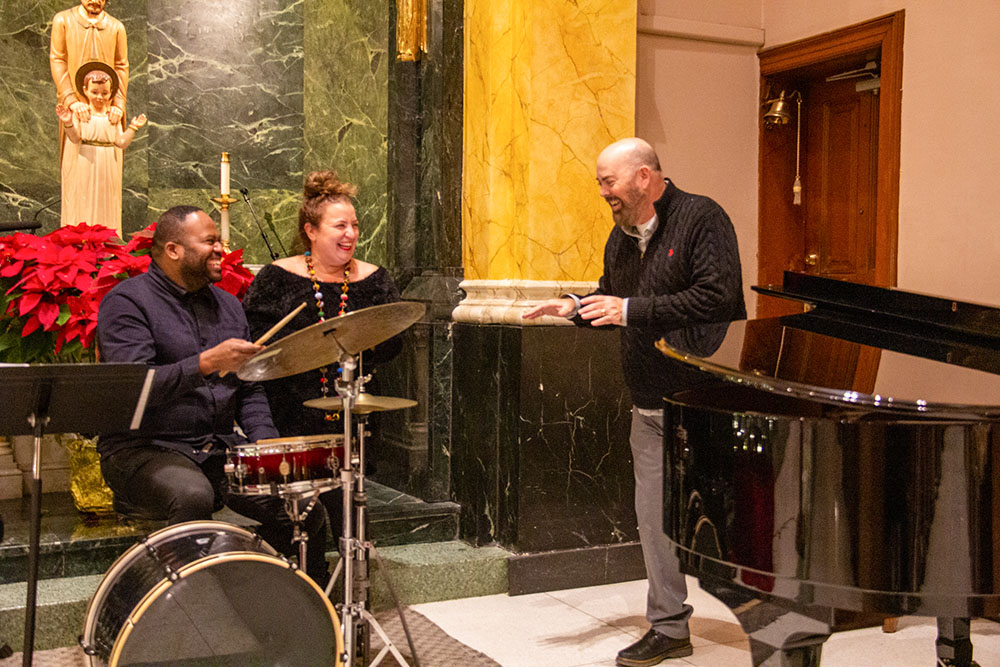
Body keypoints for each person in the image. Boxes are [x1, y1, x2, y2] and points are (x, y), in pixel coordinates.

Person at [523, 137, 746, 666]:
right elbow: (612, 296)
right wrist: (575, 307)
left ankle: (777, 616)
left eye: (609, 181)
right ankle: (669, 627)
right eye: (601, 182)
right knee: (653, 520)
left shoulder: (702, 218)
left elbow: (719, 297)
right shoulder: (619, 237)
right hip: (648, 404)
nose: (604, 192)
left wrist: (630, 309)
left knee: (733, 520)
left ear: (644, 177)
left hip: (704, 402)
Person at [96, 205, 330, 585]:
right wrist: (203, 364)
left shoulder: (228, 304)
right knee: (192, 496)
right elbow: (135, 388)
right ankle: (183, 610)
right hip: (143, 448)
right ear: (173, 250)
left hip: (216, 447)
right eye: (209, 241)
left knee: (302, 505)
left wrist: (266, 452)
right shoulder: (127, 302)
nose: (221, 247)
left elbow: (249, 387)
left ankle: (298, 607)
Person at [242, 170, 403, 547]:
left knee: (353, 511)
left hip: (352, 413)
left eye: (355, 225)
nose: (350, 234)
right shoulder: (277, 277)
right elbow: (255, 346)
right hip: (289, 415)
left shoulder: (375, 279)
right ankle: (305, 591)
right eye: (339, 225)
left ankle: (354, 591)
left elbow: (395, 343)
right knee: (301, 519)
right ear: (311, 231)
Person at [56, 61, 144, 233]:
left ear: (111, 93)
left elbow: (120, 142)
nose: (99, 97)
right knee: (85, 198)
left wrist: (133, 128)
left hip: (107, 164)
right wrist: (67, 122)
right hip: (85, 161)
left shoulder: (113, 116)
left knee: (106, 200)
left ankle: (107, 238)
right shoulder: (81, 114)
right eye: (94, 92)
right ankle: (83, 237)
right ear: (85, 90)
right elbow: (74, 138)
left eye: (104, 93)